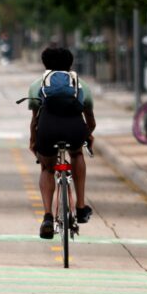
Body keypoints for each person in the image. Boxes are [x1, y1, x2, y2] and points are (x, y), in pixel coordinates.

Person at [26, 45, 97, 239]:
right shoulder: (80, 84)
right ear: (70, 63)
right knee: (76, 153)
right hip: (74, 130)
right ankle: (81, 207)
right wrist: (86, 135)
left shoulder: (37, 84)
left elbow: (35, 121)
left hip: (47, 130)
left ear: (45, 64)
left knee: (47, 169)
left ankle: (48, 216)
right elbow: (90, 121)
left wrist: (34, 141)